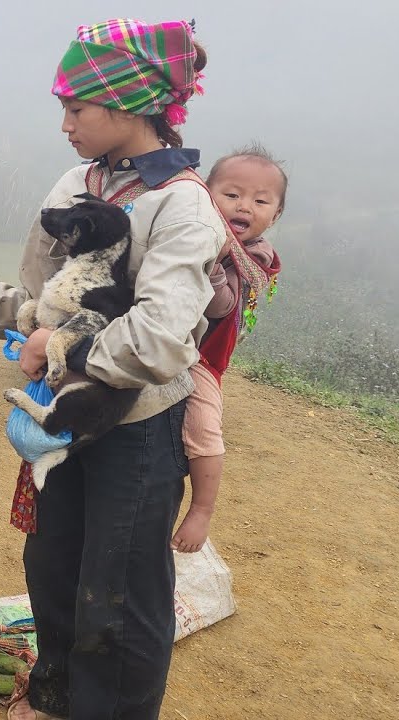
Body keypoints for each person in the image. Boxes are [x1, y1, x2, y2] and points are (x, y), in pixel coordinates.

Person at [0, 19, 223, 720]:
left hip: (137, 432)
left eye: (77, 108)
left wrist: (62, 348)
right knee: (51, 568)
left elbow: (161, 340)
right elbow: (40, 305)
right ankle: (52, 694)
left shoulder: (183, 206)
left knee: (120, 590)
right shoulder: (76, 184)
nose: (66, 124)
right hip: (65, 422)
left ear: (127, 106)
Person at [171, 145, 286, 554]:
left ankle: (201, 509)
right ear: (205, 193)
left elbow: (220, 306)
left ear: (276, 215)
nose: (244, 207)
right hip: (164, 335)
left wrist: (216, 263)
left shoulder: (253, 256)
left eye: (260, 200)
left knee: (203, 427)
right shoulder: (192, 226)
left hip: (201, 357)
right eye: (232, 194)